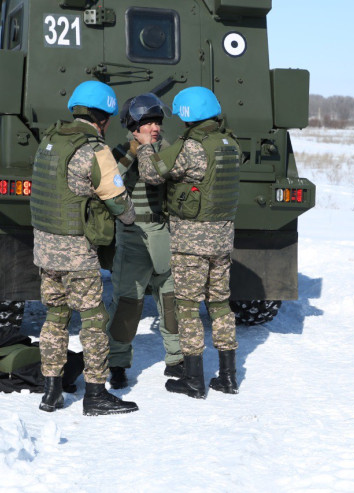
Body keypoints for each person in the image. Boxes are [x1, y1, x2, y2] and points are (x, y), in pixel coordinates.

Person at [31, 80, 139, 416]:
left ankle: (51, 393)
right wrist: (130, 216)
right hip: (77, 251)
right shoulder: (95, 150)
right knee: (93, 319)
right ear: (103, 118)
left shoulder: (49, 141)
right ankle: (95, 394)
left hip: (45, 248)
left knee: (55, 317)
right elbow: (119, 203)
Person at [137, 86, 241, 399]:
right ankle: (228, 377)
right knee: (220, 305)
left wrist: (146, 147)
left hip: (192, 241)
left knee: (187, 307)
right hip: (222, 238)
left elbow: (152, 173)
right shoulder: (229, 143)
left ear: (187, 114)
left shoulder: (193, 147)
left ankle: (194, 380)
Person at [107, 93, 183, 389]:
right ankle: (117, 363)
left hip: (163, 234)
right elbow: (109, 180)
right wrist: (134, 152)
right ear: (134, 126)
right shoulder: (120, 152)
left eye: (157, 122)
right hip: (132, 235)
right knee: (128, 304)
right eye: (149, 123)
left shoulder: (167, 151)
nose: (155, 128)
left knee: (171, 300)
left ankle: (176, 359)